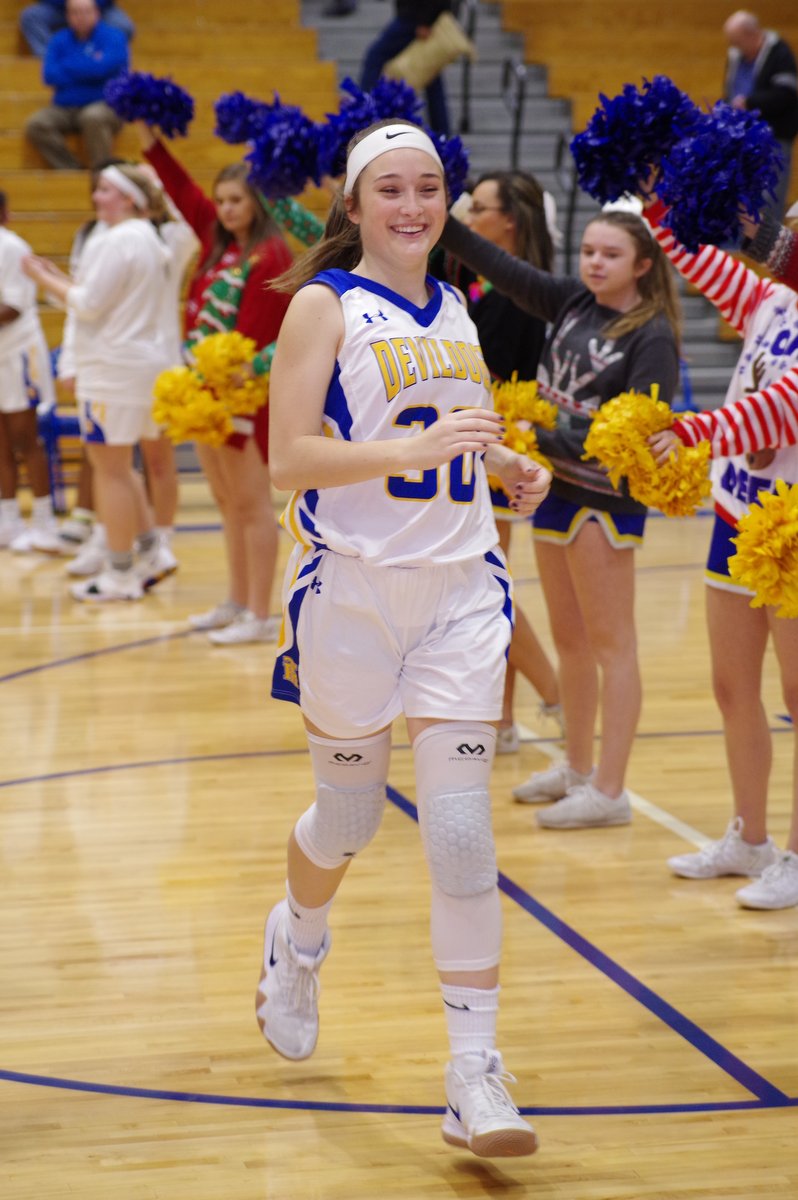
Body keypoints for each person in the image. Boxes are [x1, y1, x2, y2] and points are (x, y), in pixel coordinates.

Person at [259, 121, 550, 1157]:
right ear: (353, 205)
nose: (414, 205)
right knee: (347, 819)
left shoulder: (458, 308)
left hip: (460, 590)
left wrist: (504, 463)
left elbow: (451, 429)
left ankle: (474, 1073)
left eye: (429, 187)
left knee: (461, 833)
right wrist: (411, 451)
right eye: (391, 189)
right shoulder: (323, 305)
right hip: (351, 591)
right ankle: (296, 940)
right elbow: (289, 458)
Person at [438, 206, 681, 828]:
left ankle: (611, 790)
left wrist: (537, 435)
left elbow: (632, 440)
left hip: (603, 501)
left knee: (611, 646)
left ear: (643, 265)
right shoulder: (572, 300)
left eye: (611, 255)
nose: (595, 263)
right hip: (555, 491)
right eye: (589, 251)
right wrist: (443, 214)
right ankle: (577, 767)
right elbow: (500, 266)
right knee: (570, 642)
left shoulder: (652, 334)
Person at [646, 197, 798, 910]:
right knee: (732, 686)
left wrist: (693, 429)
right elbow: (698, 260)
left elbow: (782, 407)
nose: (784, 245)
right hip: (738, 512)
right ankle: (750, 837)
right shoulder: (771, 300)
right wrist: (657, 200)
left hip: (792, 527)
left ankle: (796, 855)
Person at [137, 124, 294, 645]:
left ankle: (259, 613)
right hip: (205, 397)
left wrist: (228, 389)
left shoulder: (270, 255)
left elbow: (257, 339)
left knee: (251, 505)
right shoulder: (216, 245)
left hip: (245, 399)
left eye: (236, 200)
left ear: (257, 203)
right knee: (228, 503)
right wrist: (148, 137)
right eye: (221, 200)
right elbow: (182, 192)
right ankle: (236, 600)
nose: (225, 209)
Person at [443, 170, 561, 752]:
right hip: (475, 437)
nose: (468, 217)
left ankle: (559, 695)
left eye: (480, 208)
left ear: (509, 221)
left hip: (501, 440)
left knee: (489, 590)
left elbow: (489, 370)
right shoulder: (473, 280)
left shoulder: (525, 292)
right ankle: (504, 719)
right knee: (493, 586)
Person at [23, 163, 177, 601]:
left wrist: (41, 277)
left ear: (129, 198)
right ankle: (151, 552)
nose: (96, 197)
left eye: (106, 190)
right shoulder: (150, 237)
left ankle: (119, 574)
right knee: (121, 469)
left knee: (110, 471)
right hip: (137, 365)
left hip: (113, 369)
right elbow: (101, 299)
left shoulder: (118, 238)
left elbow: (88, 304)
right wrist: (57, 279)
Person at [0, 189, 61, 553]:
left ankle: (44, 521)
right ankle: (7, 520)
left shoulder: (12, 247)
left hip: (19, 355)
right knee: (0, 443)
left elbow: (13, 307)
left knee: (26, 439)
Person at [25, 0, 128, 171]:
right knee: (36, 124)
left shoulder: (115, 37)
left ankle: (102, 173)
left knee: (93, 117)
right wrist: (90, 66)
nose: (81, 17)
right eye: (75, 12)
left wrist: (68, 67)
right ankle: (72, 170)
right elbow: (50, 75)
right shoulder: (58, 40)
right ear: (67, 16)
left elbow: (104, 69)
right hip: (67, 107)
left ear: (97, 13)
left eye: (86, 11)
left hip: (104, 105)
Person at [723, 10, 798, 219]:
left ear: (752, 34)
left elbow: (787, 94)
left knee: (770, 197)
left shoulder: (779, 53)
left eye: (737, 41)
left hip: (774, 136)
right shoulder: (736, 56)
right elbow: (729, 90)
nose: (735, 46)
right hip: (743, 137)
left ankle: (769, 237)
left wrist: (750, 103)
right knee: (743, 198)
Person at [361, 1, 452, 136]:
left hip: (415, 18)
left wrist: (426, 21)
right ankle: (442, 132)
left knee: (374, 57)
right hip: (419, 16)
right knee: (431, 76)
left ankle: (364, 112)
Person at [20, 0, 134, 57]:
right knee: (31, 17)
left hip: (98, 7)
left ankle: (103, 58)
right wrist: (69, 3)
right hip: (59, 8)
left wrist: (89, 5)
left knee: (123, 26)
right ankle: (51, 58)